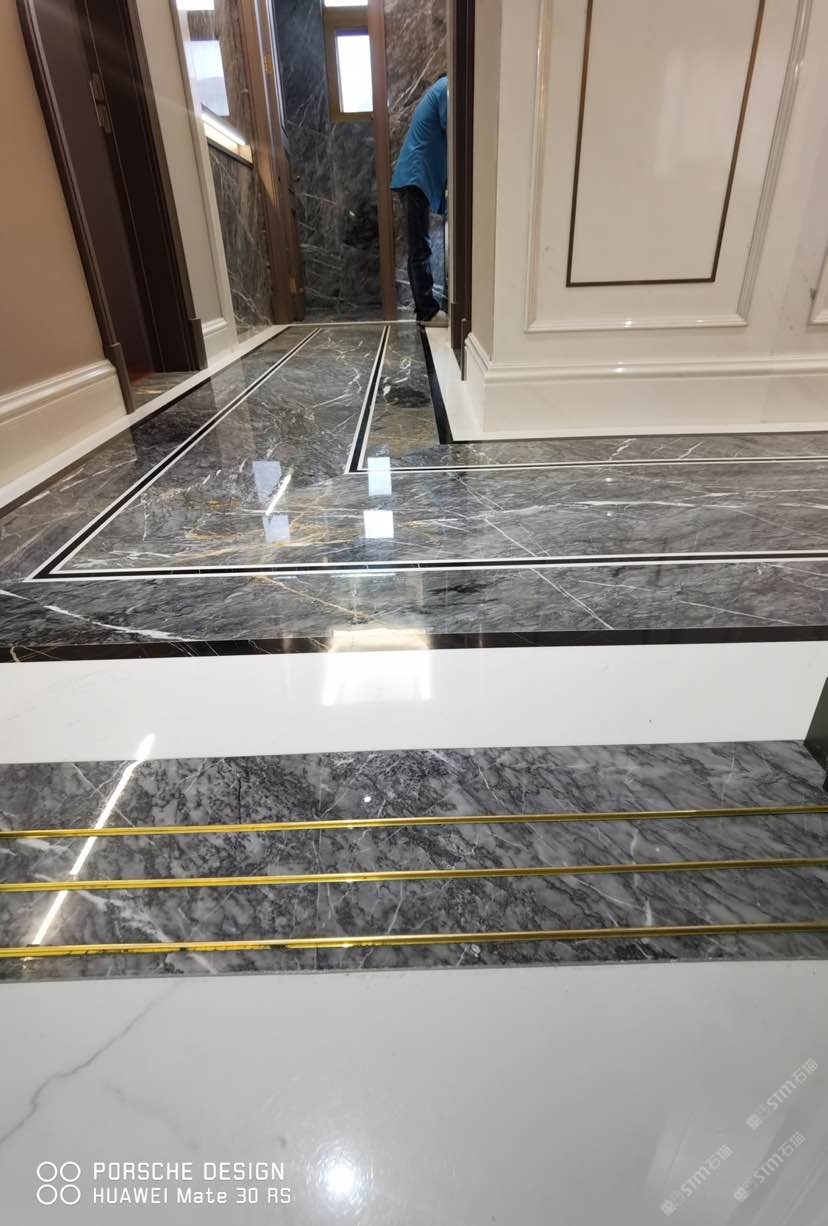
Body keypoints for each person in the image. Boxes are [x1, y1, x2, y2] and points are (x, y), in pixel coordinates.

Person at [391, 75, 448, 326]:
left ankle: (425, 310)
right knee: (420, 245)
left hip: (415, 177)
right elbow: (455, 130)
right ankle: (427, 312)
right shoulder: (446, 87)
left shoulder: (438, 90)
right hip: (416, 176)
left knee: (419, 244)